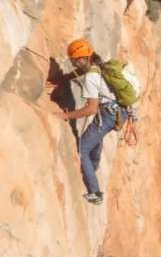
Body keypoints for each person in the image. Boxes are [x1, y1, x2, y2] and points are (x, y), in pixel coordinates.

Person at [53, 38, 128, 205]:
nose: (73, 64)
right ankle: (93, 166)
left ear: (82, 59)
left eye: (74, 61)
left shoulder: (91, 78)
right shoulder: (98, 64)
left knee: (82, 149)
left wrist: (64, 116)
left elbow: (91, 109)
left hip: (109, 115)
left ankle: (95, 193)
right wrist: (65, 78)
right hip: (119, 111)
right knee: (96, 135)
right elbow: (83, 72)